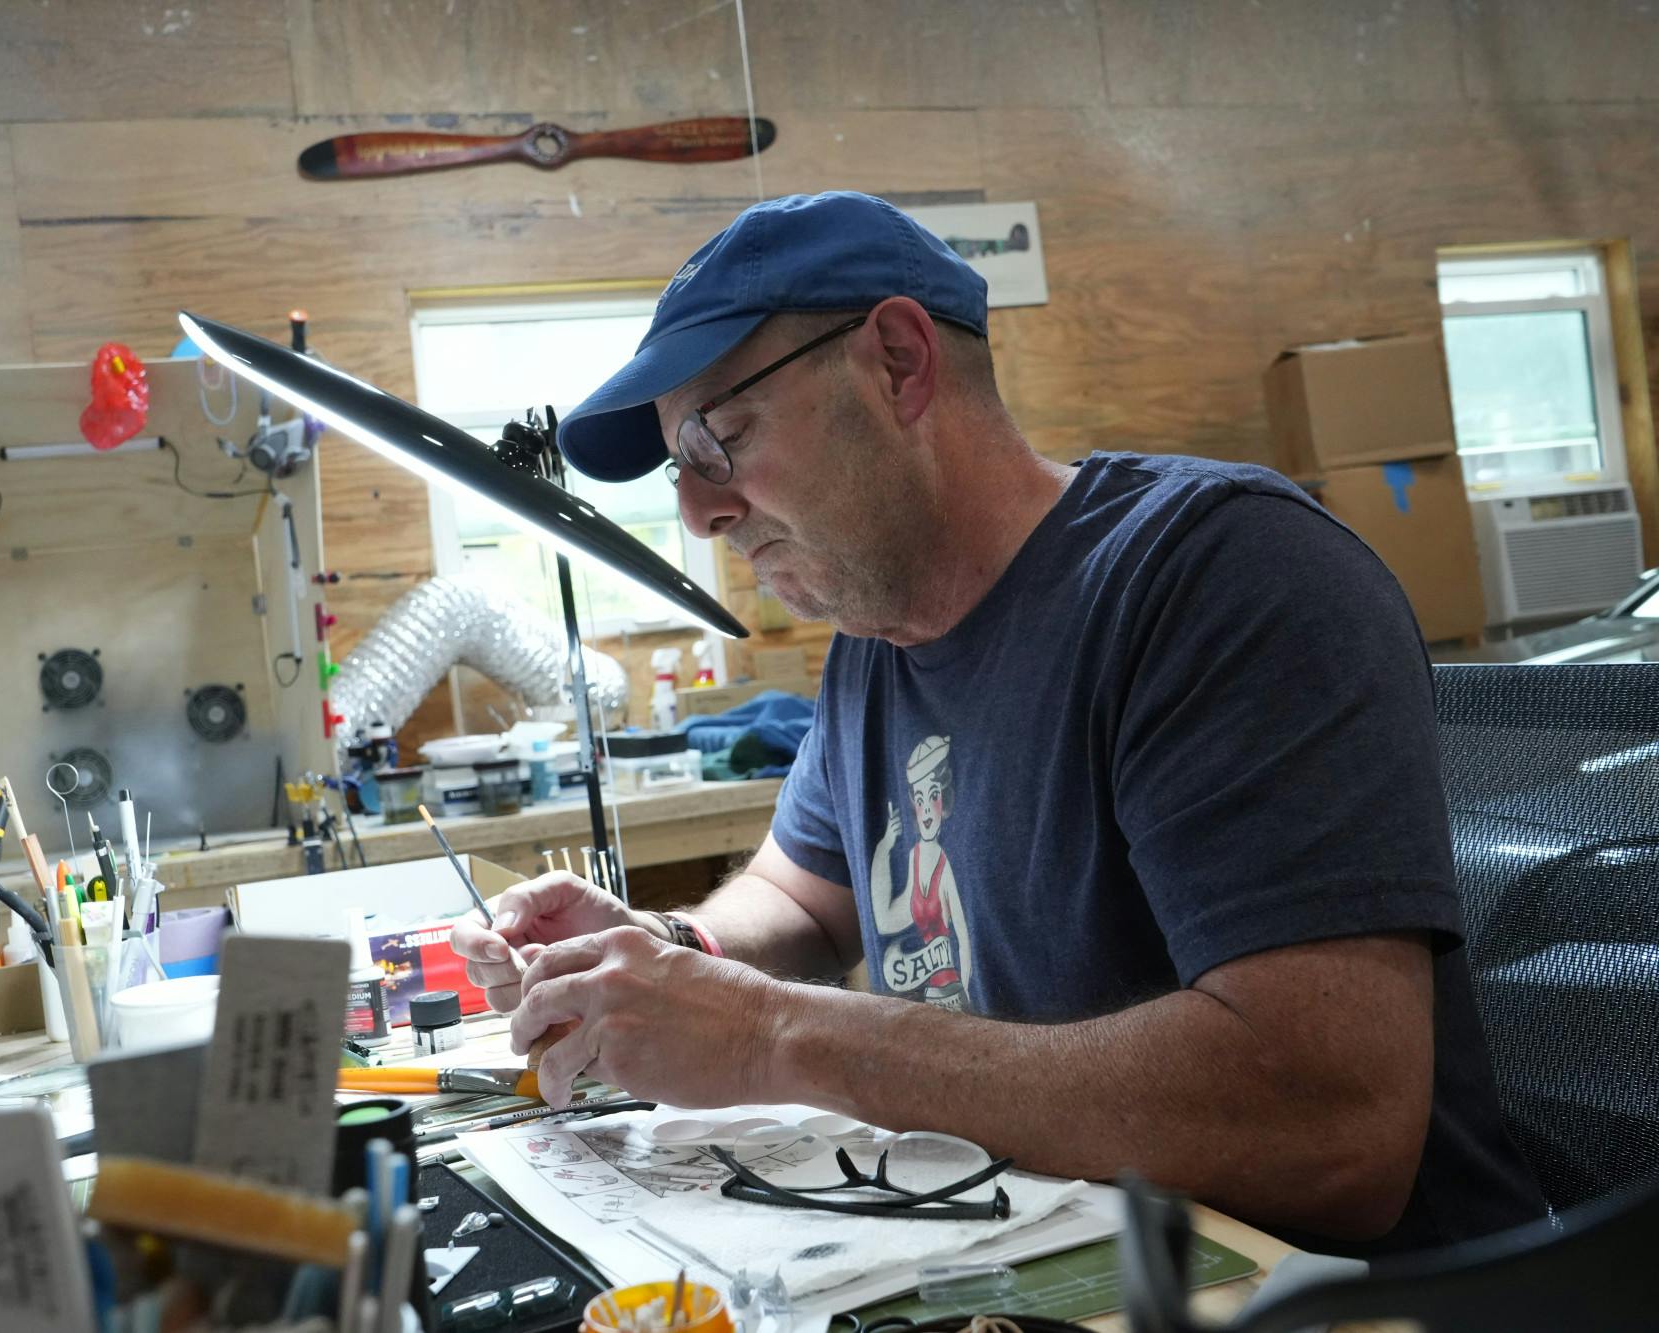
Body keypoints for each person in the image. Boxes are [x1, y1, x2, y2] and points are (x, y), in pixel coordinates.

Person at [452, 191, 1544, 1255]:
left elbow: (1328, 1125)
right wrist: (665, 953)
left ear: (897, 361)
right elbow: (797, 894)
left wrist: (764, 1033)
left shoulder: (1218, 579)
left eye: (716, 436)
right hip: (1053, 1242)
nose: (696, 509)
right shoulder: (873, 645)